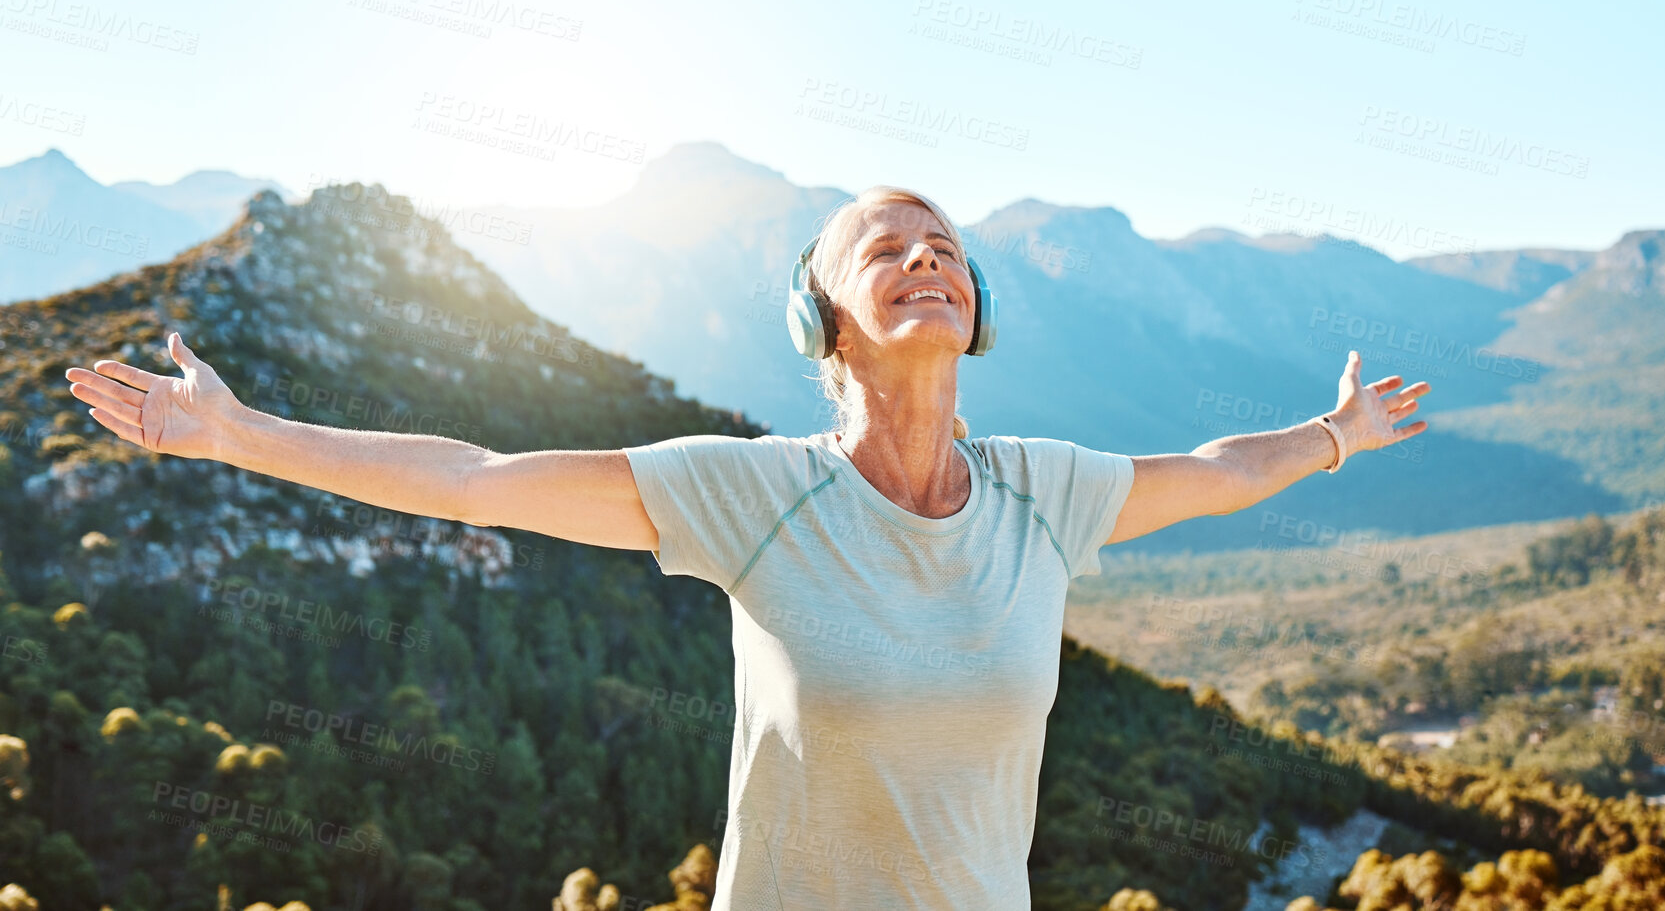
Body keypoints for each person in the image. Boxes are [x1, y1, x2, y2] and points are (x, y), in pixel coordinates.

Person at [64, 184, 1428, 910]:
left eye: (944, 247)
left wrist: (1337, 433)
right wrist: (244, 438)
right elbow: (480, 478)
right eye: (883, 251)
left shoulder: (1040, 493)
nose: (926, 259)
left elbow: (1207, 470)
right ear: (824, 322)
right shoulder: (751, 497)